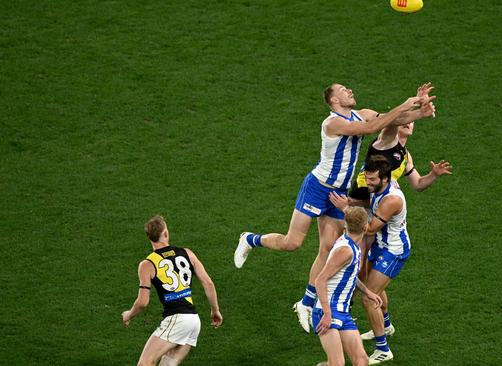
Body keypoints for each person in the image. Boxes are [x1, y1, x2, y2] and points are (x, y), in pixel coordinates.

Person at [234, 83, 436, 333]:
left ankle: (306, 302)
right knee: (292, 242)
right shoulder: (332, 123)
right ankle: (251, 239)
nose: (349, 90)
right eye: (342, 90)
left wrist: (419, 111)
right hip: (317, 187)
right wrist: (408, 104)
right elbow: (372, 128)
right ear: (333, 101)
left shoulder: (362, 113)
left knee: (328, 248)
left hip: (338, 191)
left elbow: (387, 121)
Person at [348, 117, 453, 340]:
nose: (408, 124)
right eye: (406, 121)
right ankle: (377, 320)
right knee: (362, 272)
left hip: (371, 212)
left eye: (411, 123)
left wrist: (433, 176)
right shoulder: (386, 141)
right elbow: (394, 120)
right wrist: (417, 109)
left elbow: (418, 184)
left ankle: (350, 310)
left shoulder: (405, 156)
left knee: (360, 272)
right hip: (362, 205)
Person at [330, 155, 431, 364]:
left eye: (373, 180)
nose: (368, 183)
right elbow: (370, 201)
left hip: (393, 251)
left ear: (385, 179)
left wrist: (345, 209)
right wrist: (352, 201)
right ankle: (385, 325)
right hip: (380, 245)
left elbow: (370, 227)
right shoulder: (379, 188)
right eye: (367, 178)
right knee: (373, 287)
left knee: (368, 297)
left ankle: (383, 349)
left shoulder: (392, 199)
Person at [122, 215, 223, 366]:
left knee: (144, 363)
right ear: (166, 233)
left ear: (149, 238)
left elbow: (143, 302)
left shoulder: (147, 264)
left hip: (177, 319)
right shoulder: (187, 253)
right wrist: (215, 311)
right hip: (194, 321)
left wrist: (129, 315)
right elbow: (208, 283)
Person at [312, 206, 382, 366]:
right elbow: (320, 280)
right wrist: (327, 313)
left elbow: (348, 275)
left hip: (342, 311)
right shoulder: (346, 250)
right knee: (337, 363)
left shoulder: (352, 245)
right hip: (327, 311)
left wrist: (368, 292)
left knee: (362, 360)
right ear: (365, 227)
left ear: (346, 224)